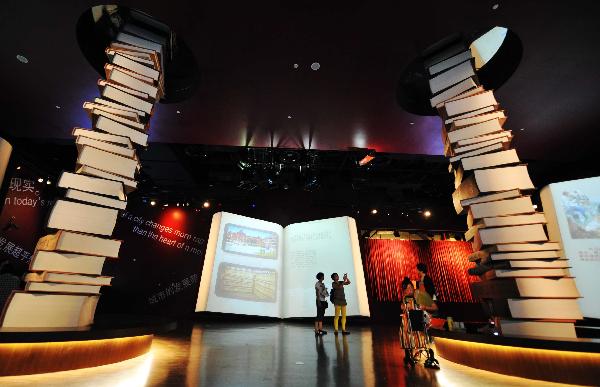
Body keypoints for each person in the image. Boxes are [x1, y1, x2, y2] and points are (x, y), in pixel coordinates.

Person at [314, 272, 329, 336]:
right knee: (319, 315)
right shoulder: (317, 284)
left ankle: (320, 329)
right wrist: (318, 301)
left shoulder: (323, 284)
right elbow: (317, 292)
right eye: (323, 276)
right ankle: (316, 330)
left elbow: (324, 292)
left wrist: (326, 291)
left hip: (323, 300)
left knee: (321, 315)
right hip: (319, 300)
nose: (323, 277)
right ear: (320, 277)